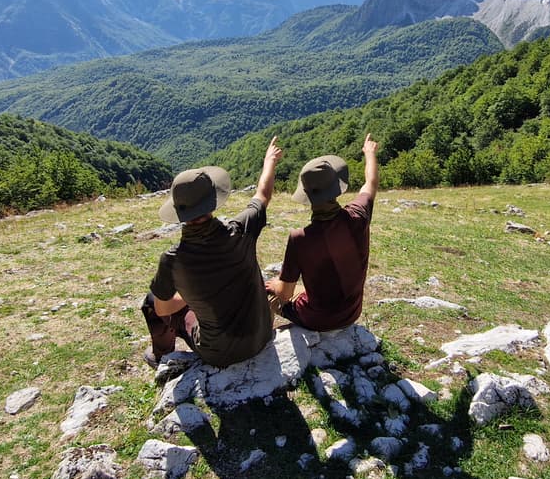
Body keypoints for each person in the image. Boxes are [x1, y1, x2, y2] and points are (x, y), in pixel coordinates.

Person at [141, 137, 282, 368]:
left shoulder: (173, 260)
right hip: (262, 335)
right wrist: (269, 161)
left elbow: (162, 309)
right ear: (212, 202)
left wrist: (194, 294)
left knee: (151, 301)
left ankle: (161, 354)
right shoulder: (241, 229)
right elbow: (263, 195)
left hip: (220, 352)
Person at [267, 134, 378, 331]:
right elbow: (371, 183)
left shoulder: (300, 238)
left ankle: (261, 344)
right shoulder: (359, 215)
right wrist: (369, 153)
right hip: (352, 313)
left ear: (307, 195)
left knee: (264, 290)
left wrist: (274, 284)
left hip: (317, 320)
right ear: (337, 190)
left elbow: (284, 295)